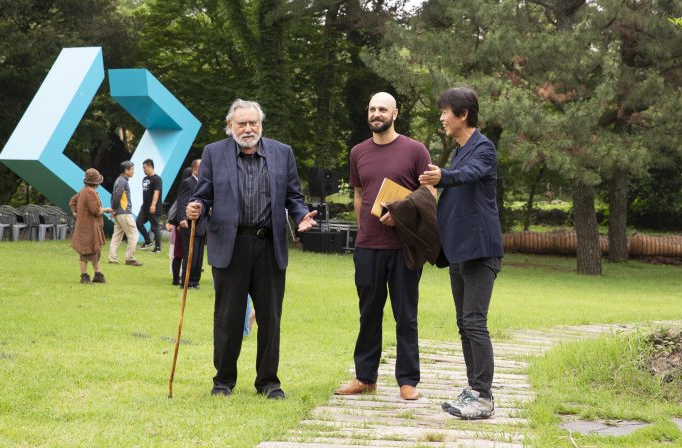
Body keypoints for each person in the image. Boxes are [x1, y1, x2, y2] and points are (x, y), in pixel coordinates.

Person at [186, 99, 318, 400]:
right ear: (230, 126)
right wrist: (196, 207)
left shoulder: (282, 153)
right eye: (241, 123)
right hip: (229, 246)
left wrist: (301, 217)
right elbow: (202, 196)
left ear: (261, 125)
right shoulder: (214, 153)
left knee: (270, 319)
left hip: (269, 245)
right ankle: (223, 381)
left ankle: (268, 382)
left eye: (253, 123)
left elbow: (294, 197)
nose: (248, 128)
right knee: (228, 318)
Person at [334, 92, 433, 401]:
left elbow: (429, 194)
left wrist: (402, 216)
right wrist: (364, 229)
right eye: (372, 108)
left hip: (404, 247)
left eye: (383, 109)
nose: (376, 114)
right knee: (369, 313)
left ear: (395, 114)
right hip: (368, 247)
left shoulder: (415, 150)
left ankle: (407, 380)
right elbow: (360, 195)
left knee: (406, 315)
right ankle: (365, 377)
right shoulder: (358, 152)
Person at [419, 87, 503, 420]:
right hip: (458, 252)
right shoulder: (459, 150)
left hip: (481, 251)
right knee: (463, 324)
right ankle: (473, 389)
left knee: (474, 322)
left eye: (445, 112)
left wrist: (444, 177)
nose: (441, 117)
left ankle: (484, 397)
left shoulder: (483, 148)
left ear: (462, 114)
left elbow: (470, 176)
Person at [69, 168, 113, 284]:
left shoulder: (84, 191)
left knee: (94, 251)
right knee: (86, 252)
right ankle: (84, 276)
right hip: (89, 228)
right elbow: (96, 211)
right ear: (96, 183)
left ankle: (97, 274)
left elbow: (72, 201)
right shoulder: (90, 192)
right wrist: (106, 210)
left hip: (85, 227)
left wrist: (76, 213)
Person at [176, 159, 205, 289]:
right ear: (194, 169)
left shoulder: (204, 183)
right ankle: (186, 282)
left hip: (201, 225)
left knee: (198, 257)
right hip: (189, 225)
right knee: (190, 255)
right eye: (202, 167)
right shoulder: (187, 183)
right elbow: (182, 201)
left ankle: (195, 281)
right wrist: (182, 218)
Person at [108, 160, 142, 266]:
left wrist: (114, 210)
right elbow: (117, 195)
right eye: (132, 169)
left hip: (119, 213)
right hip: (124, 213)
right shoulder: (123, 181)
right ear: (126, 170)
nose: (133, 171)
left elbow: (113, 196)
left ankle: (112, 259)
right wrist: (114, 209)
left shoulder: (119, 180)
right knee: (134, 235)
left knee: (117, 236)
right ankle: (130, 259)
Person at [137, 159, 163, 253]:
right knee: (138, 223)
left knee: (154, 227)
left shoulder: (157, 179)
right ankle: (148, 241)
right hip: (144, 207)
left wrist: (153, 205)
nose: (143, 170)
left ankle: (158, 247)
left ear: (151, 166)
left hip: (154, 207)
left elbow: (156, 192)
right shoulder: (145, 179)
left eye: (145, 167)